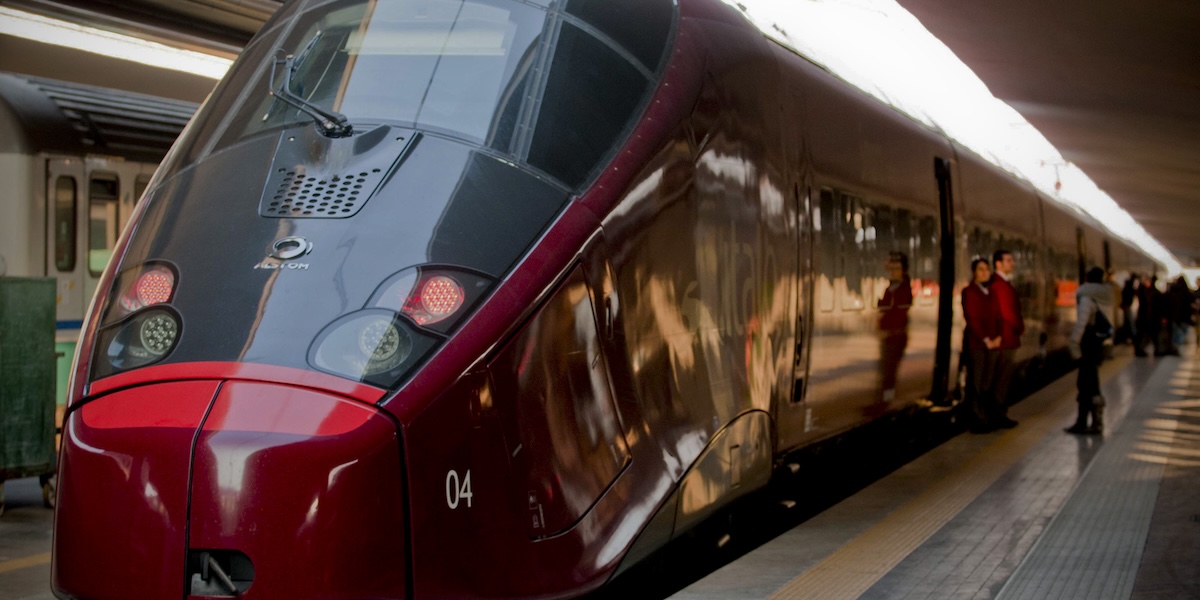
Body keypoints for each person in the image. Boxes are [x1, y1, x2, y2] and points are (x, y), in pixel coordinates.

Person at [1067, 267, 1115, 434]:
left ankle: (1091, 423)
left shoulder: (1087, 296)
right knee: (1090, 381)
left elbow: (1081, 322)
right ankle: (1089, 422)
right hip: (1099, 344)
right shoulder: (1106, 295)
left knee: (1087, 384)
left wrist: (1073, 344)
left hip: (1087, 344)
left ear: (1087, 278)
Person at [962, 258, 1003, 432]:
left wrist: (999, 337)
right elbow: (972, 318)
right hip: (978, 344)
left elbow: (1000, 316)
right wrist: (986, 339)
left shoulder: (992, 292)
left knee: (988, 383)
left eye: (987, 269)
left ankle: (987, 417)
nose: (985, 272)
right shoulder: (969, 292)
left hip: (994, 343)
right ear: (974, 272)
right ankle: (977, 420)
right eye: (981, 269)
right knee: (976, 383)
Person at [987, 249, 1021, 428]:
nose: (1012, 263)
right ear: (998, 264)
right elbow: (1007, 312)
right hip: (1006, 338)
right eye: (1008, 260)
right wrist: (1019, 327)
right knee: (1002, 379)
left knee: (1000, 378)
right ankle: (998, 415)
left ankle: (997, 413)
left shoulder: (1000, 283)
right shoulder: (1000, 285)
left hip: (1006, 337)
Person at [877, 252, 912, 403]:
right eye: (891, 268)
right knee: (886, 368)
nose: (892, 272)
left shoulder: (903, 290)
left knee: (890, 369)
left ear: (903, 271)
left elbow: (898, 313)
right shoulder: (890, 289)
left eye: (896, 268)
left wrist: (889, 329)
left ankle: (888, 399)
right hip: (888, 336)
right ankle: (886, 397)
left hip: (895, 337)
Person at [1118, 273, 1139, 345]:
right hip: (1127, 307)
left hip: (1127, 307)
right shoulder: (1129, 288)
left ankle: (1131, 337)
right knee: (1130, 322)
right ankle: (1133, 337)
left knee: (1128, 322)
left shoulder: (1127, 288)